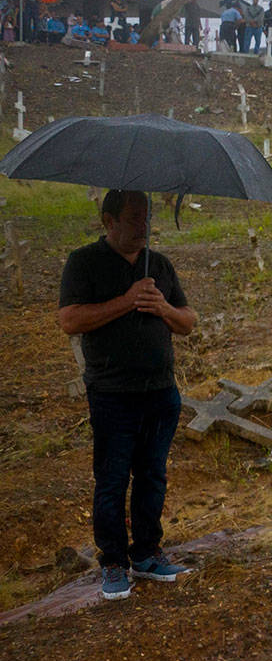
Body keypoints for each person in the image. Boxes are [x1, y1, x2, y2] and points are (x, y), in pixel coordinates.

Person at [57, 190, 198, 600]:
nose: (144, 226)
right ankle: (114, 562)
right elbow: (69, 320)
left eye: (147, 217)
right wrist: (126, 300)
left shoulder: (160, 265)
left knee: (153, 475)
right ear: (109, 221)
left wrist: (162, 308)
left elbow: (188, 321)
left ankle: (147, 554)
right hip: (113, 394)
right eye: (134, 218)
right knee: (112, 479)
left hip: (160, 391)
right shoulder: (84, 263)